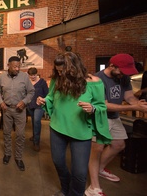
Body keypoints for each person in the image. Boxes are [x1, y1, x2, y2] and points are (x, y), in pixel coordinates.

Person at [36, 52, 111, 196]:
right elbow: (51, 96)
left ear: (74, 67)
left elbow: (102, 106)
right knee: (58, 163)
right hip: (57, 128)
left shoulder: (94, 82)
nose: (60, 73)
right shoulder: (57, 80)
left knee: (80, 172)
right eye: (58, 71)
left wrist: (92, 108)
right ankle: (65, 189)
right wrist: (45, 100)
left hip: (81, 133)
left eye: (63, 71)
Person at [85, 54, 147, 196]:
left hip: (114, 117)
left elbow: (129, 96)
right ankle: (93, 188)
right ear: (112, 66)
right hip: (99, 117)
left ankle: (100, 169)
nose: (123, 75)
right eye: (121, 71)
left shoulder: (123, 77)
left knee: (119, 144)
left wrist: (138, 103)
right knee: (97, 149)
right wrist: (134, 108)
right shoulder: (98, 79)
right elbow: (104, 106)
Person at [0, 56, 34, 171]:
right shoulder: (2, 77)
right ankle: (7, 154)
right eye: (15, 66)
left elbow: (31, 92)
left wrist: (24, 101)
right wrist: (1, 102)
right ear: (8, 66)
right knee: (7, 133)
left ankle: (18, 157)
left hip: (20, 111)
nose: (17, 69)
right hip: (7, 110)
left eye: (19, 66)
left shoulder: (24, 77)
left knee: (20, 135)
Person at [26, 67, 49, 152]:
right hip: (30, 104)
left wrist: (43, 100)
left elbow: (47, 94)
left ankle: (36, 142)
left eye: (34, 75)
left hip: (39, 105)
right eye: (31, 75)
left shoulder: (42, 82)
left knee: (36, 121)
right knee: (33, 121)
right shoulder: (27, 82)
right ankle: (34, 135)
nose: (32, 77)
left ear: (37, 73)